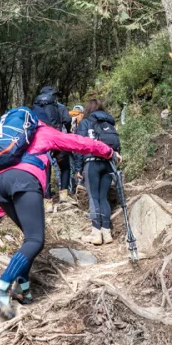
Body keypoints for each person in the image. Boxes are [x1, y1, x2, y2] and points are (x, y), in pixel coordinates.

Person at [0, 111, 116, 318]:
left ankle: (23, 289)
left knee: (30, 240)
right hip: (24, 180)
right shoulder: (42, 131)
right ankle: (0, 287)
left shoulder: (9, 144)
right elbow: (78, 142)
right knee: (35, 241)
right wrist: (107, 151)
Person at [74, 99, 121, 246]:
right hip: (108, 163)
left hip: (91, 164)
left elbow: (79, 145)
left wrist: (77, 168)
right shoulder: (109, 123)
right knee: (103, 197)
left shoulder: (85, 122)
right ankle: (106, 232)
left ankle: (96, 233)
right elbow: (116, 143)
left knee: (93, 198)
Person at [31, 85, 73, 201]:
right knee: (65, 166)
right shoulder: (60, 107)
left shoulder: (35, 108)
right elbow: (67, 120)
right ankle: (64, 195)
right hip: (58, 139)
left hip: (42, 141)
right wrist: (67, 133)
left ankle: (47, 200)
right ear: (53, 96)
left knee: (46, 169)